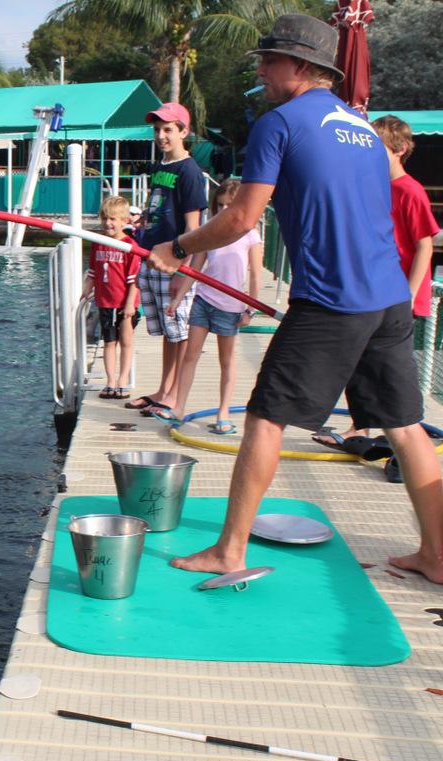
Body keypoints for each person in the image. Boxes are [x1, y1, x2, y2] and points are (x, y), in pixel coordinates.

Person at [147, 13, 443, 581]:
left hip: (333, 299)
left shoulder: (279, 123)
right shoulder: (362, 127)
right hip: (388, 298)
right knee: (405, 426)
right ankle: (435, 554)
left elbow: (240, 218)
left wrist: (179, 247)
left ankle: (230, 550)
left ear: (302, 67)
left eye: (269, 60)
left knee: (264, 417)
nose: (260, 70)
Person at [311, 114, 441, 451]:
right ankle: (362, 427)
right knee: (359, 356)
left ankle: (396, 431)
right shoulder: (374, 188)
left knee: (391, 366)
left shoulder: (409, 191)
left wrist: (410, 295)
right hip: (372, 291)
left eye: (376, 147)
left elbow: (425, 244)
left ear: (398, 150)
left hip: (398, 296)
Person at [152, 180, 262, 434]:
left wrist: (249, 309)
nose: (224, 210)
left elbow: (256, 275)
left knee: (227, 360)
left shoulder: (250, 236)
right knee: (191, 355)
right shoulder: (211, 233)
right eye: (220, 205)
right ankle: (178, 408)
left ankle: (223, 411)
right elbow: (195, 270)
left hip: (230, 305)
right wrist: (178, 300)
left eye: (230, 205)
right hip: (204, 300)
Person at [124, 101, 207, 419]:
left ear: (184, 132)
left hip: (172, 263)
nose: (161, 136)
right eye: (157, 130)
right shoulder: (162, 167)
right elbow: (159, 208)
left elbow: (192, 229)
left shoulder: (189, 172)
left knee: (179, 332)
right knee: (167, 334)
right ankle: (163, 389)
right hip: (152, 258)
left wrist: (183, 273)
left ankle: (173, 395)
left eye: (168, 130)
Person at [81, 196, 142, 400]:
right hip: (105, 301)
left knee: (125, 341)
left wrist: (129, 305)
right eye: (105, 218)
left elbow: (134, 280)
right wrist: (84, 291)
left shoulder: (130, 246)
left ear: (125, 221)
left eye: (114, 219)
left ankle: (123, 379)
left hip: (125, 303)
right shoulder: (98, 244)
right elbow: (92, 272)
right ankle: (111, 380)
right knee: (109, 341)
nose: (109, 223)